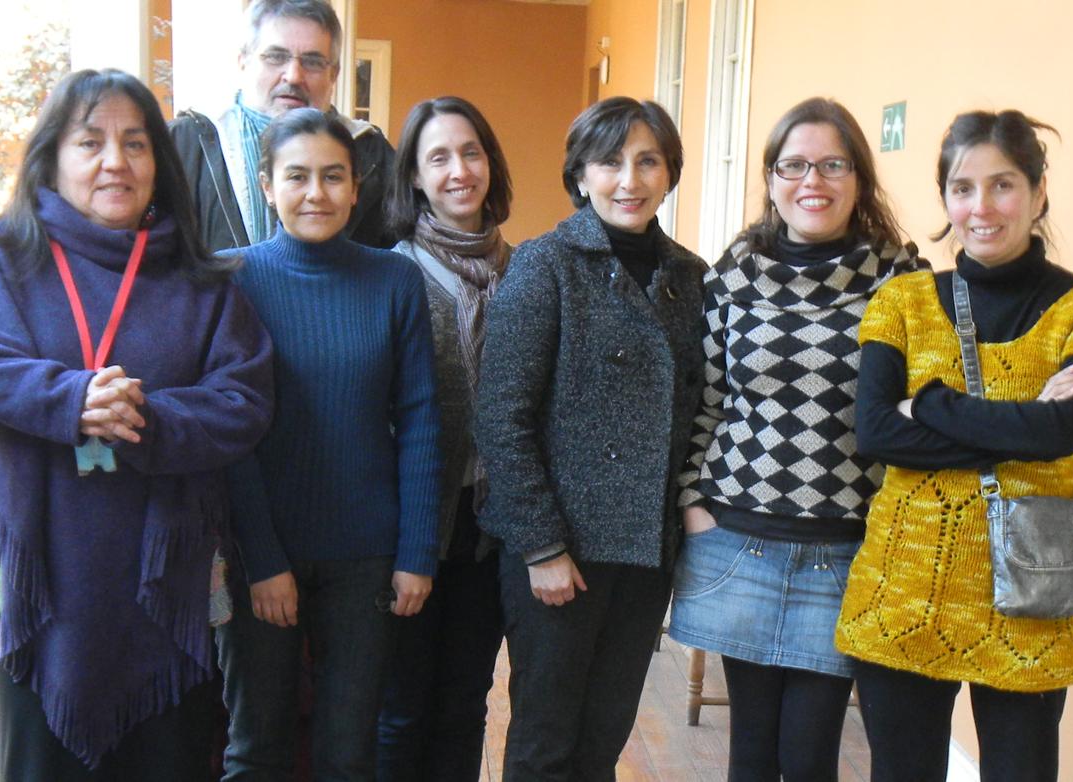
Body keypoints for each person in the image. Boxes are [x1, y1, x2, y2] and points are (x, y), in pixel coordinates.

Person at [0, 69, 275, 781]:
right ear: (52, 157)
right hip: (38, 583)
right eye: (89, 141)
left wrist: (147, 419)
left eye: (134, 143)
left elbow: (243, 400)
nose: (114, 161)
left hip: (167, 587)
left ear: (159, 163)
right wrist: (62, 399)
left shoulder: (198, 277)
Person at [836, 109, 1073, 781]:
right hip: (903, 592)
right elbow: (877, 432)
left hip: (1026, 600)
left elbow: (1059, 435)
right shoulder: (902, 301)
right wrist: (1018, 425)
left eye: (1002, 185)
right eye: (962, 188)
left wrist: (930, 404)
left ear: (1037, 191)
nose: (981, 207)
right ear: (943, 198)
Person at [669, 97, 922, 782]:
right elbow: (706, 402)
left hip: (845, 549)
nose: (813, 180)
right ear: (772, 180)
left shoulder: (900, 283)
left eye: (832, 164)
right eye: (795, 165)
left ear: (860, 181)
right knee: (749, 753)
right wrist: (695, 503)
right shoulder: (731, 278)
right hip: (737, 541)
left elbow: (948, 378)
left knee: (809, 757)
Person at [474, 96, 706, 780]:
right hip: (558, 553)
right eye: (609, 162)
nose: (628, 180)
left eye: (647, 162)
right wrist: (542, 546)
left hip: (643, 552)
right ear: (580, 175)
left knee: (602, 738)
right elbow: (501, 416)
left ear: (669, 174)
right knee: (545, 744)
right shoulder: (545, 265)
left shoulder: (689, 276)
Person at [216, 107, 442, 782]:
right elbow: (231, 435)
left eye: (332, 176)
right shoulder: (231, 280)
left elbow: (422, 419)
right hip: (263, 550)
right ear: (266, 186)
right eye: (297, 176)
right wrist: (261, 562)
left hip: (366, 558)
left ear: (356, 184)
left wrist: (415, 552)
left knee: (349, 753)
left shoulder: (394, 280)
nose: (315, 193)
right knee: (256, 748)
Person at [374, 96, 513, 781]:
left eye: (470, 152)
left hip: (493, 532)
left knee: (466, 703)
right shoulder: (388, 273)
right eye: (439, 158)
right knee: (400, 708)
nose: (459, 170)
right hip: (410, 527)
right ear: (417, 178)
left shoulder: (527, 272)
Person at [169, 0, 395, 252]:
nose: (294, 75)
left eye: (312, 61)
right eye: (276, 57)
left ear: (334, 73)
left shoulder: (373, 154)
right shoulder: (184, 143)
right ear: (243, 60)